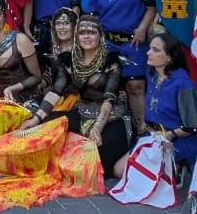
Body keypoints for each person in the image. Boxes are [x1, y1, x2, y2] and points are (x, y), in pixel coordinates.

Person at [33, 12, 129, 177]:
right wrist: (36, 119)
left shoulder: (111, 61)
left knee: (94, 161)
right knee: (42, 131)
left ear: (100, 36)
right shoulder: (69, 61)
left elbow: (109, 98)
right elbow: (56, 91)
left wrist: (97, 127)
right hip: (81, 112)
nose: (87, 36)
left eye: (91, 32)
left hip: (110, 118)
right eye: (82, 32)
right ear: (77, 36)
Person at [97, 0, 155, 126]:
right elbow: (94, 14)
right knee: (109, 86)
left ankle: (142, 129)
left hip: (133, 41)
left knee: (135, 86)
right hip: (108, 42)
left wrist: (142, 28)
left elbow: (151, 6)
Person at [139, 30, 197, 176]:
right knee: (120, 170)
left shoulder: (184, 84)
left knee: (146, 179)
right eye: (150, 48)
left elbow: (192, 126)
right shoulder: (152, 74)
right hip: (153, 137)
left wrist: (169, 135)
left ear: (169, 57)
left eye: (155, 50)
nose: (148, 53)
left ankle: (182, 163)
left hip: (176, 142)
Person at [0, 0, 44, 105]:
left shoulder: (20, 40)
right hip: (1, 101)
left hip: (27, 100)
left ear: (4, 17)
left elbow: (37, 77)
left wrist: (14, 88)